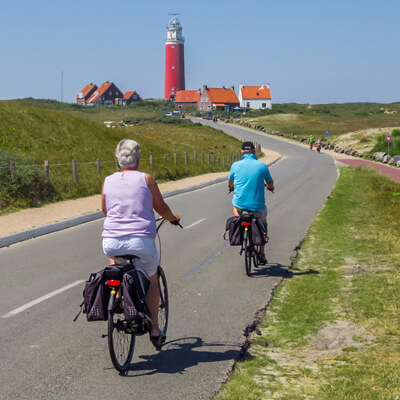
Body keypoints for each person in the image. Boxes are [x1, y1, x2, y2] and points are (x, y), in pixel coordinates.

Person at [101, 139, 180, 347]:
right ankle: (154, 329)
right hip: (140, 242)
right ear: (137, 159)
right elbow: (161, 208)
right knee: (152, 281)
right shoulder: (146, 179)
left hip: (111, 241)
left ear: (118, 160)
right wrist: (172, 218)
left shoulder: (108, 180)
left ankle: (117, 293)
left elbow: (105, 211)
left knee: (115, 260)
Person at [228, 141, 274, 265]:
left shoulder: (235, 165)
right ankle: (261, 253)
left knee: (235, 206)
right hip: (257, 205)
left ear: (241, 152)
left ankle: (238, 225)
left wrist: (231, 188)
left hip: (240, 203)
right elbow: (270, 182)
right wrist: (271, 188)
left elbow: (230, 182)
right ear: (254, 152)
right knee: (263, 226)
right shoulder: (262, 165)